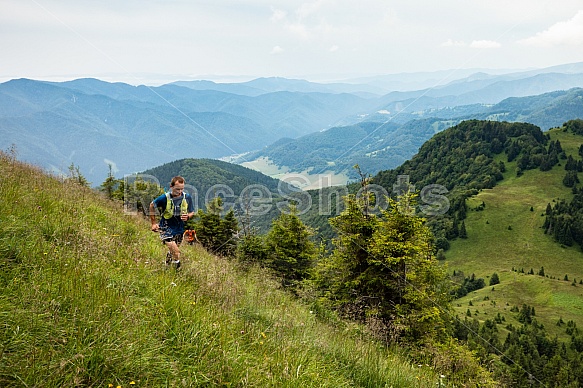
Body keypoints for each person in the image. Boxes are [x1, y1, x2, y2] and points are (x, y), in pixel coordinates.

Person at [149, 176, 195, 269]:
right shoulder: (164, 198)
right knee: (177, 252)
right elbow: (152, 205)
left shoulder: (187, 197)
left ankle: (167, 266)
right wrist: (153, 223)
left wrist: (188, 216)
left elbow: (192, 212)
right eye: (177, 189)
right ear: (171, 186)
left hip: (179, 228)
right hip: (165, 228)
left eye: (182, 189)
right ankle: (177, 269)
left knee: (173, 250)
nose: (180, 191)